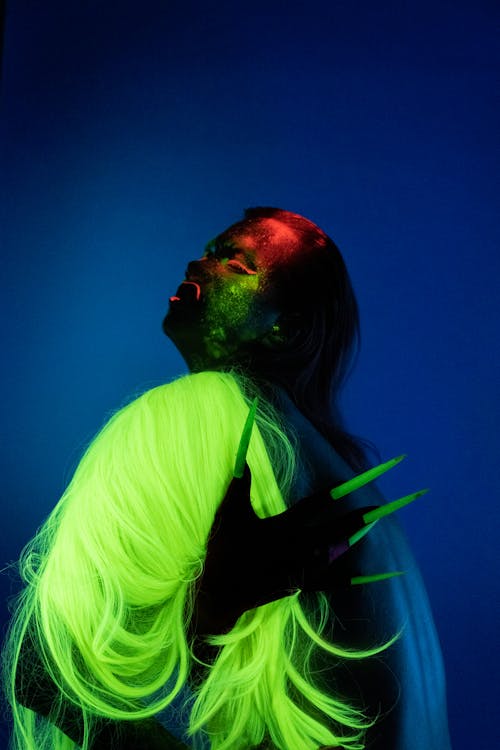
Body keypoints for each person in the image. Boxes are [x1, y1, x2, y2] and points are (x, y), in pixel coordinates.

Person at [2, 207, 451, 750]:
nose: (200, 262)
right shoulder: (349, 484)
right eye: (209, 251)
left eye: (236, 263)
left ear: (284, 327)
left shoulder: (210, 409)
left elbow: (42, 669)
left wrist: (203, 630)